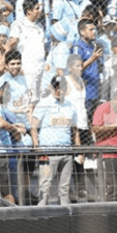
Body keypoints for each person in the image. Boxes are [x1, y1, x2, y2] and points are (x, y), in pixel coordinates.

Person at [32, 76, 81, 206]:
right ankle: (41, 213)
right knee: (45, 185)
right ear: (52, 87)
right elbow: (33, 126)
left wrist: (78, 147)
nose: (59, 90)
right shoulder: (44, 103)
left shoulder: (70, 105)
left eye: (61, 87)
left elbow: (75, 129)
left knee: (65, 187)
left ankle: (65, 215)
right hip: (48, 153)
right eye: (56, 87)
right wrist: (37, 146)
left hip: (66, 152)